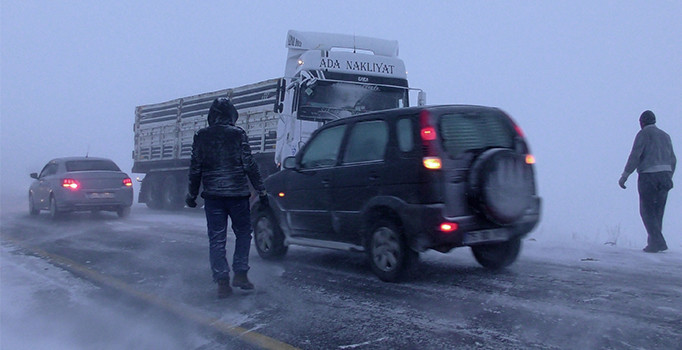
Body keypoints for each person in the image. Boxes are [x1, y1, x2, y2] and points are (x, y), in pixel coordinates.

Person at [186, 97, 268, 298]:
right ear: (232, 114)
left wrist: (192, 194)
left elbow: (195, 168)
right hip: (238, 195)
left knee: (216, 238)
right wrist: (261, 190)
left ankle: (222, 281)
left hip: (213, 196)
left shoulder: (201, 136)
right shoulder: (238, 134)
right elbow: (249, 165)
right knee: (243, 233)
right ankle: (240, 273)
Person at [619, 110, 676, 253]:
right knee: (658, 212)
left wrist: (625, 176)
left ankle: (658, 242)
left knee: (646, 211)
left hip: (649, 176)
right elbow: (673, 159)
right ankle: (653, 243)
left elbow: (635, 156)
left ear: (642, 122)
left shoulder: (643, 134)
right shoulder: (665, 136)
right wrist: (669, 176)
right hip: (665, 176)